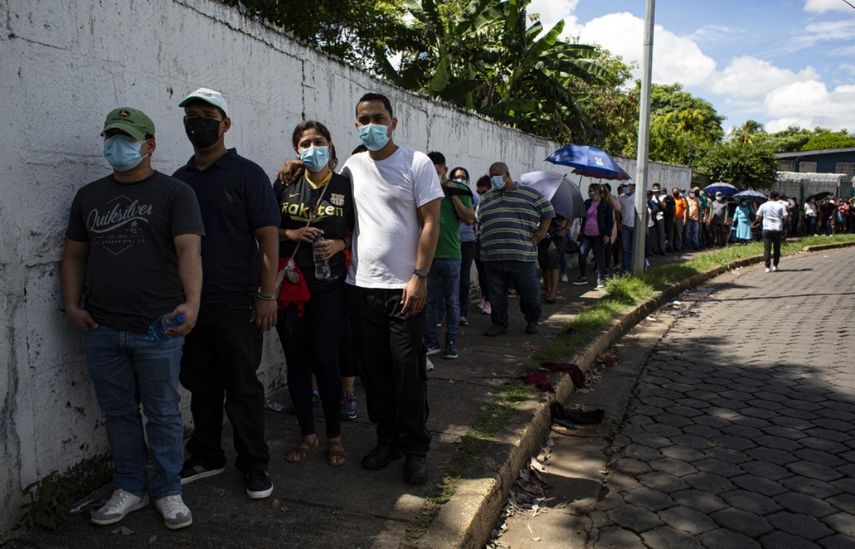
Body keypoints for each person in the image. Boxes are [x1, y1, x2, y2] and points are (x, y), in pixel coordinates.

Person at [61, 108, 204, 529]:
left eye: (126, 139)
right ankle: (129, 487)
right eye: (111, 138)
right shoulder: (89, 196)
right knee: (119, 413)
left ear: (149, 145)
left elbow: (189, 250)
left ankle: (168, 489)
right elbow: (74, 255)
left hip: (158, 326)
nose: (116, 146)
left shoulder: (175, 193)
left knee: (163, 413)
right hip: (102, 327)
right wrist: (71, 304)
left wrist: (192, 303)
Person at [173, 88, 279, 499]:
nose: (198, 123)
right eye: (191, 116)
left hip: (238, 302)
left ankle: (254, 463)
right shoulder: (179, 181)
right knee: (201, 385)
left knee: (242, 387)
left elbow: (267, 238)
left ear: (226, 124)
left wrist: (266, 295)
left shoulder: (248, 175)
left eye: (207, 116)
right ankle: (206, 454)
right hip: (193, 303)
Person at [342, 92, 443, 485]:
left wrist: (420, 276)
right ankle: (387, 440)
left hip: (404, 289)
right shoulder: (352, 166)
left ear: (393, 122)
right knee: (374, 373)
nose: (372, 125)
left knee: (407, 372)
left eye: (379, 118)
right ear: (356, 125)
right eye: (364, 119)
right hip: (360, 286)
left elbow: (431, 222)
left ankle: (416, 447)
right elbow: (328, 197)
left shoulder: (417, 163)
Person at [274, 121, 354, 467]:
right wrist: (290, 235)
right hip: (291, 288)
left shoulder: (346, 185)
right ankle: (307, 433)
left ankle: (334, 437)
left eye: (318, 141)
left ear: (330, 144)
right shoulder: (285, 182)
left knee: (326, 360)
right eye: (304, 143)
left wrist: (341, 244)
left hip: (329, 288)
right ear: (296, 149)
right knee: (296, 363)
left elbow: (363, 230)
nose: (312, 148)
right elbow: (265, 229)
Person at [479, 162, 554, 335]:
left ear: (507, 174)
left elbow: (548, 211)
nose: (494, 179)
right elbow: (480, 219)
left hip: (522, 255)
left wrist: (541, 232)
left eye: (497, 175)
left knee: (529, 293)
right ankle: (499, 324)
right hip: (492, 256)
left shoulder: (529, 194)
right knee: (496, 295)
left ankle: (532, 320)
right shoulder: (487, 198)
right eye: (492, 176)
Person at [424, 153, 475, 360]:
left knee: (452, 301)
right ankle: (431, 342)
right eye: (430, 171)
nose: (434, 174)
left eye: (437, 170)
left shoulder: (459, 189)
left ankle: (451, 341)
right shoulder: (422, 189)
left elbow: (470, 218)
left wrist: (453, 195)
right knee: (428, 302)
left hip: (451, 254)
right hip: (427, 255)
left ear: (445, 170)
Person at [573, 183, 614, 290]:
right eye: (589, 191)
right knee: (582, 254)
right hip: (586, 235)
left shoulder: (606, 205)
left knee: (600, 258)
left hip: (599, 235)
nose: (590, 193)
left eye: (592, 191)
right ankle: (583, 276)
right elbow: (582, 215)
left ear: (598, 192)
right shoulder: (587, 203)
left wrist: (607, 235)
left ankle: (600, 279)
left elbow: (610, 221)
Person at [452, 166, 478, 327]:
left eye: (462, 177)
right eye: (456, 177)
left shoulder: (472, 195)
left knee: (463, 278)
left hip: (467, 241)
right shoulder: (447, 194)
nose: (459, 180)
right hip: (450, 241)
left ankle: (463, 312)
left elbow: (473, 217)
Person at [755, 190, 789, 272]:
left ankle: (767, 267)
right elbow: (785, 217)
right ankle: (775, 266)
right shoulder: (781, 206)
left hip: (766, 229)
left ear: (769, 197)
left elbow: (757, 217)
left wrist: (761, 221)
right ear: (777, 197)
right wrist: (782, 222)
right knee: (777, 249)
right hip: (777, 229)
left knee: (767, 249)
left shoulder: (763, 205)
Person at [473, 175, 492, 315]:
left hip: (491, 243)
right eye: (479, 193)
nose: (481, 195)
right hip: (479, 241)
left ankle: (490, 301)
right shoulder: (480, 203)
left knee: (488, 274)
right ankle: (484, 297)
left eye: (484, 192)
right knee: (481, 273)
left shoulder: (495, 203)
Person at [538, 216, 568, 302]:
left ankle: (553, 293)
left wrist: (566, 229)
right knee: (544, 264)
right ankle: (548, 290)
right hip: (542, 236)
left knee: (553, 264)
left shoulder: (560, 209)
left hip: (555, 236)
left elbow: (569, 216)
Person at [618, 182, 637, 270]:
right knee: (625, 248)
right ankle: (626, 268)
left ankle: (635, 266)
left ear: (632, 186)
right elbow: (618, 212)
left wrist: (645, 226)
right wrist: (618, 223)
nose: (625, 188)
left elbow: (646, 211)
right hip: (625, 226)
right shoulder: (621, 198)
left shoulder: (638, 196)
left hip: (637, 226)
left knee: (635, 247)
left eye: (626, 186)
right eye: (624, 186)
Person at [671, 187, 687, 252]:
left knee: (678, 233)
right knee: (672, 233)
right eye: (674, 192)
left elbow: (685, 209)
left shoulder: (682, 199)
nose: (676, 193)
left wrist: (684, 219)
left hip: (679, 218)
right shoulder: (671, 198)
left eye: (677, 192)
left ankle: (678, 247)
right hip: (672, 218)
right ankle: (671, 247)